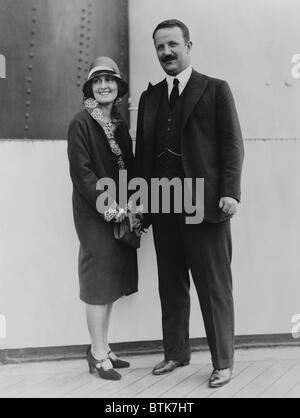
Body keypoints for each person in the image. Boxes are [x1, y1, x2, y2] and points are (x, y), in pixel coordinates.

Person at [135, 20, 244, 388]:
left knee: (213, 287)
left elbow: (232, 146)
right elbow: (142, 157)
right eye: (160, 47)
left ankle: (223, 362)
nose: (166, 52)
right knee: (171, 284)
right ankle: (177, 353)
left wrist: (230, 191)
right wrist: (140, 204)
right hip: (164, 207)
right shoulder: (149, 99)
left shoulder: (215, 90)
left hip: (205, 206)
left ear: (188, 45)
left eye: (172, 45)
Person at [68, 57, 140, 381]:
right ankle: (97, 355)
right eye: (97, 82)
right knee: (98, 285)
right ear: (90, 88)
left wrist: (135, 208)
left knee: (110, 283)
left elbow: (129, 171)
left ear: (118, 86)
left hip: (118, 213)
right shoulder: (81, 123)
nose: (104, 86)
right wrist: (112, 209)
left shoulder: (119, 125)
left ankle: (103, 347)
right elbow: (83, 176)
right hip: (94, 216)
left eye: (109, 80)